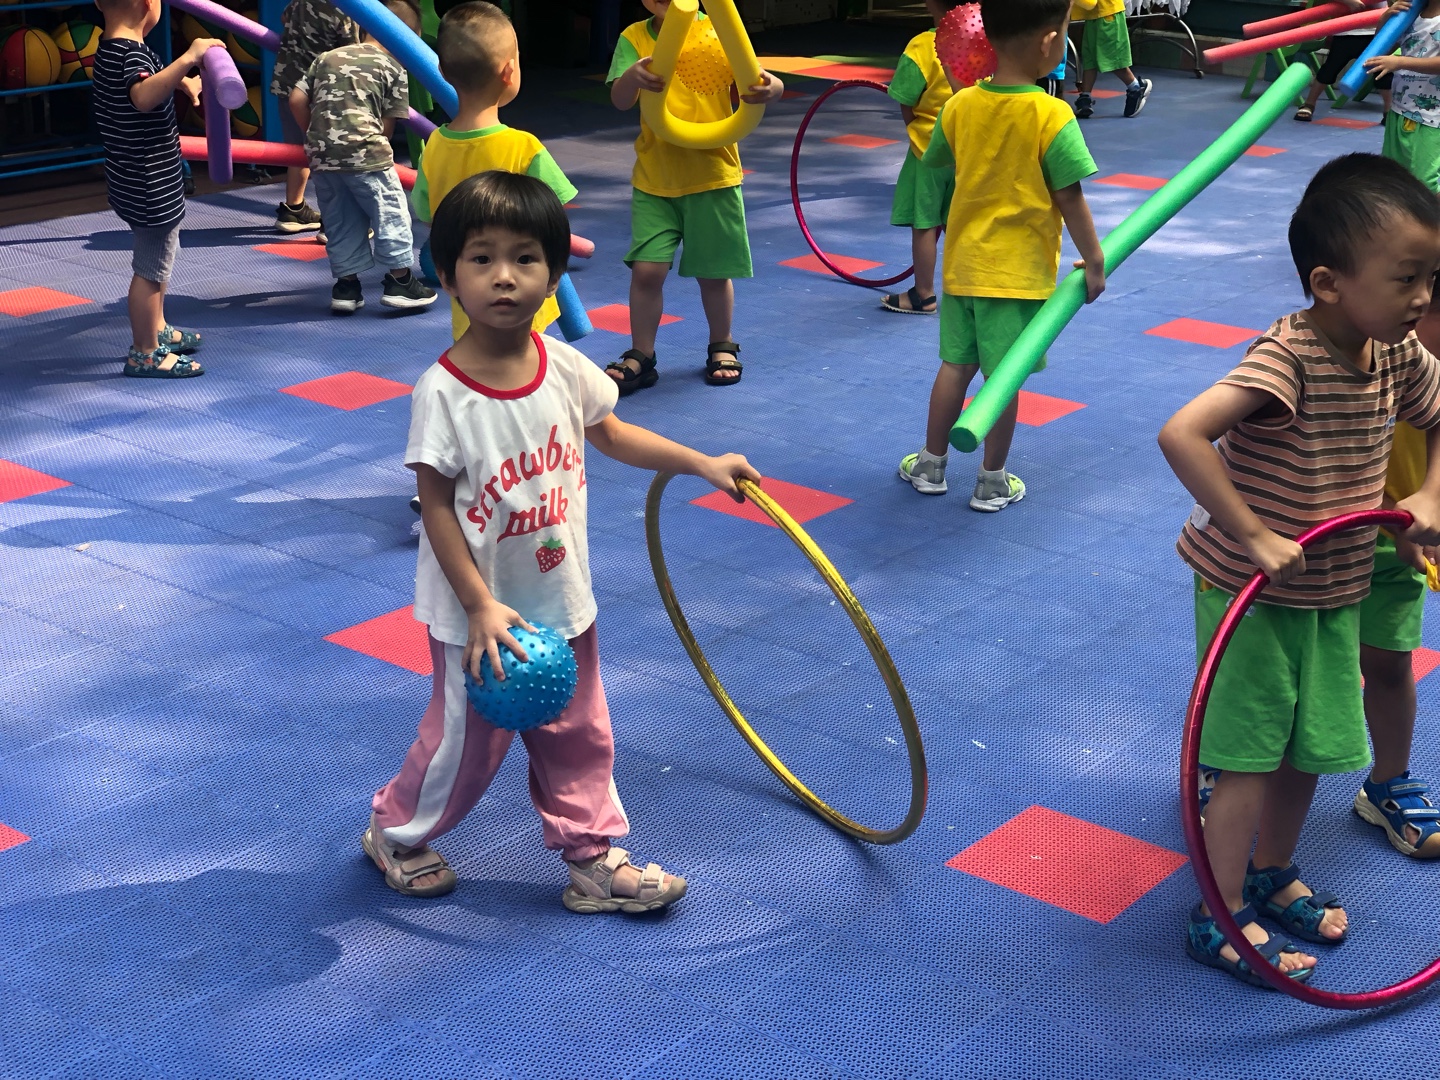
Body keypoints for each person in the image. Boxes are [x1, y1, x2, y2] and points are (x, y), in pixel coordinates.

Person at [363, 171, 761, 908]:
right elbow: (437, 509)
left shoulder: (565, 366)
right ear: (447, 275)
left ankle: (591, 857)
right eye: (482, 258)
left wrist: (701, 462)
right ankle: (397, 830)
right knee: (464, 748)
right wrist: (479, 606)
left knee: (581, 733)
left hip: (560, 597)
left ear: (552, 278)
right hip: (481, 617)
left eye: (525, 258)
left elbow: (614, 433)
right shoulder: (443, 393)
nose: (504, 276)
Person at [1159, 153, 1440, 987]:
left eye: (1431, 278)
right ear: (1328, 283)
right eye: (1407, 279)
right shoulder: (1289, 357)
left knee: (1305, 749)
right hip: (1251, 595)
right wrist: (1253, 534)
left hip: (1333, 589)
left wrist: (1427, 494)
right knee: (1249, 756)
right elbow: (1183, 433)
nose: (1424, 298)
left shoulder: (1396, 354)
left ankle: (1270, 872)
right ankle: (1218, 914)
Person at [899, 0, 1104, 512]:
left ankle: (931, 463)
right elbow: (1069, 196)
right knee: (1002, 380)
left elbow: (938, 158)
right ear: (1049, 43)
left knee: (954, 367)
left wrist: (964, 96)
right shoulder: (1051, 113)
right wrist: (1095, 260)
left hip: (963, 267)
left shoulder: (959, 106)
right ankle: (991, 479)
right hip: (1016, 276)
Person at [604, 0, 785, 392]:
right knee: (646, 270)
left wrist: (775, 87)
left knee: (714, 273)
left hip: (713, 176)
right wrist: (632, 78)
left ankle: (722, 343)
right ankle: (642, 352)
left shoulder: (720, 29)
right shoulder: (634, 37)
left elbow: (755, 80)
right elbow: (619, 100)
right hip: (656, 178)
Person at [411, 1, 577, 340]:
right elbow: (554, 215)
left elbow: (428, 216)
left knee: (476, 361)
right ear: (509, 71)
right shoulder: (523, 147)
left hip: (469, 297)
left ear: (442, 71)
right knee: (526, 363)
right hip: (521, 293)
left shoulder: (435, 146)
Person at [92, 0, 216, 378]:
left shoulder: (112, 49)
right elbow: (143, 96)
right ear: (149, 3)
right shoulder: (130, 54)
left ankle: (157, 327)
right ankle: (145, 352)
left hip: (135, 177)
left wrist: (181, 81)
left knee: (161, 258)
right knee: (149, 270)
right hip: (150, 183)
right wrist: (189, 57)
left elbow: (145, 81)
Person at [289, 0, 437, 313]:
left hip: (323, 156)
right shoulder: (393, 68)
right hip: (367, 154)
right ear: (405, 40)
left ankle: (346, 287)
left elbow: (297, 98)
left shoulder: (327, 57)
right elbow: (386, 126)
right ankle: (400, 281)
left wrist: (315, 135)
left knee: (339, 219)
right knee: (389, 212)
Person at [882, 0, 960, 316]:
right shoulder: (987, 43)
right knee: (962, 223)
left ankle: (924, 294)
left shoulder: (922, 46)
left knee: (925, 223)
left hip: (928, 150)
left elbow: (906, 98)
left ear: (929, 3)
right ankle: (970, 290)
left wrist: (916, 130)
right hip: (970, 149)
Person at [269, 0, 360, 235]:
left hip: (287, 83)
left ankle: (294, 208)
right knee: (331, 153)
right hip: (320, 92)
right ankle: (335, 221)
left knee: (297, 151)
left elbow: (284, 18)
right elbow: (353, 55)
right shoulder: (346, 10)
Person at [1366, 0, 1440, 191]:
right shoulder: (1413, 13)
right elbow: (1382, 48)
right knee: (1392, 176)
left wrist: (1400, 62)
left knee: (1425, 184)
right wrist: (1385, 18)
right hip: (1400, 109)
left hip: (1430, 118)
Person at [1295, 0, 1393, 123]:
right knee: (1329, 69)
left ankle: (1389, 111)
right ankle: (1309, 104)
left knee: (1382, 70)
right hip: (1345, 31)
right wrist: (1349, 1)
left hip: (1374, 32)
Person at [1070, 0, 1151, 119]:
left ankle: (1136, 88)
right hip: (1093, 16)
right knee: (1090, 59)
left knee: (1112, 59)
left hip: (1107, 14)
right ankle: (1085, 97)